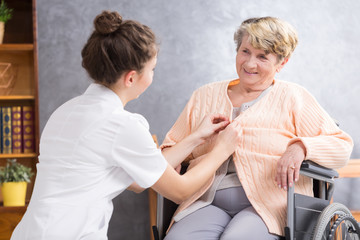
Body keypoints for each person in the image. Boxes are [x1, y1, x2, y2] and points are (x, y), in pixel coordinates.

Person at [10, 11, 242, 240]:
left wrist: (195, 138)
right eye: (152, 69)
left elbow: (138, 180)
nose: (152, 76)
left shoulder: (67, 110)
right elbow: (180, 190)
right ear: (131, 78)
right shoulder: (120, 125)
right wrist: (222, 149)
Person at [162, 17, 353, 240]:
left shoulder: (293, 97)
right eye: (245, 51)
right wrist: (175, 159)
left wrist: (301, 147)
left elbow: (342, 145)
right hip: (204, 200)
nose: (250, 63)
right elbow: (172, 146)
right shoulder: (204, 95)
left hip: (268, 206)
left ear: (282, 63)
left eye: (262, 56)